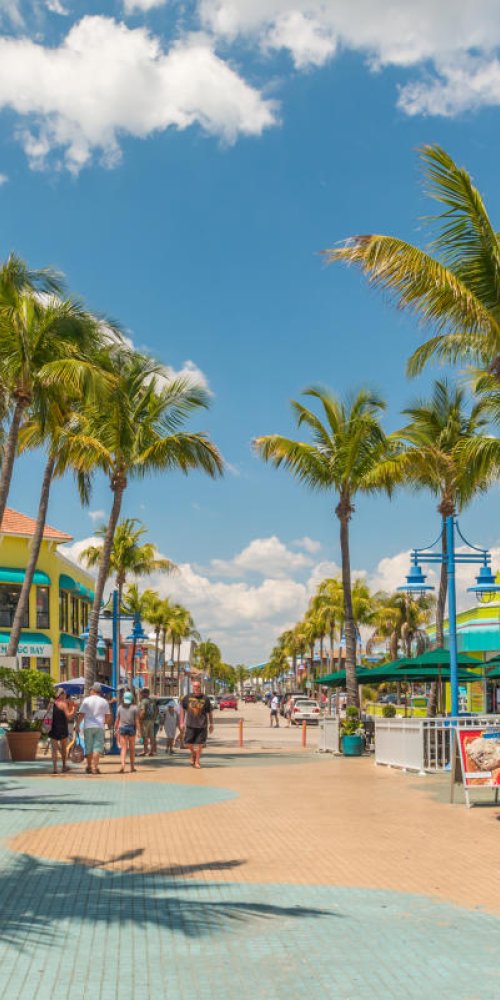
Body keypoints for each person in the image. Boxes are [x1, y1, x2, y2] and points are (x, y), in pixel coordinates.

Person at [76, 682, 112, 775]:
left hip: (88, 726)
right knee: (97, 748)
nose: (90, 691)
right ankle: (95, 767)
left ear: (93, 690)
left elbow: (81, 714)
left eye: (91, 689)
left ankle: (89, 766)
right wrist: (104, 723)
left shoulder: (86, 700)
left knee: (89, 748)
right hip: (99, 727)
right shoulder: (104, 701)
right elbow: (108, 716)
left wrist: (77, 725)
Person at [180, 680, 214, 769]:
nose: (196, 688)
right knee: (187, 743)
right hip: (190, 724)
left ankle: (197, 762)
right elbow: (182, 710)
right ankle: (193, 754)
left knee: (200, 744)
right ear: (192, 687)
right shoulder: (187, 697)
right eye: (195, 686)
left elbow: (209, 712)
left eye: (198, 686)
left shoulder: (205, 698)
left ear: (200, 687)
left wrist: (211, 724)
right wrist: (181, 722)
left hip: (202, 725)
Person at [48, 689, 76, 774]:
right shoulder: (63, 704)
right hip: (62, 728)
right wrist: (74, 710)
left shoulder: (51, 704)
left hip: (52, 728)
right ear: (61, 695)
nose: (65, 696)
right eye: (64, 694)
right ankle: (64, 766)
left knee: (54, 749)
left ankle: (55, 768)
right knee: (64, 748)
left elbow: (48, 715)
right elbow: (68, 717)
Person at [114, 691, 139, 773]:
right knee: (132, 749)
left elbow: (117, 720)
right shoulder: (135, 708)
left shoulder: (120, 707)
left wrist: (115, 728)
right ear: (131, 699)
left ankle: (123, 765)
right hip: (132, 728)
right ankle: (132, 767)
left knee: (123, 749)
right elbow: (137, 721)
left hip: (123, 728)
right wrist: (139, 731)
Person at [138, 688, 158, 756]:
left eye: (141, 693)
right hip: (151, 720)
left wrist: (140, 719)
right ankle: (152, 751)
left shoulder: (144, 701)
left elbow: (143, 711)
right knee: (152, 736)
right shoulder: (152, 701)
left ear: (144, 694)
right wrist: (154, 718)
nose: (140, 695)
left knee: (145, 736)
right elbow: (156, 710)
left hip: (145, 720)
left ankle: (145, 750)